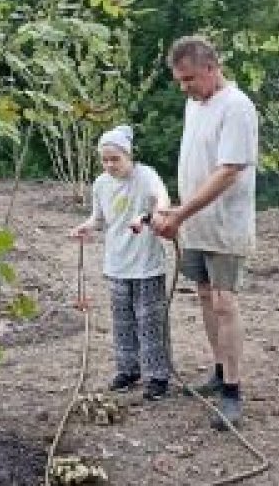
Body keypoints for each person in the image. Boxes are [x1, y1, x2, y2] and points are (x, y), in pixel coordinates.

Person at [152, 36, 258, 428]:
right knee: (203, 295)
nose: (184, 87)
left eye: (190, 78)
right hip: (195, 222)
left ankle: (233, 391)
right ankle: (218, 370)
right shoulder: (194, 106)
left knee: (225, 302)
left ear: (212, 68)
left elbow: (228, 171)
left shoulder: (237, 107)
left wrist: (180, 213)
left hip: (226, 225)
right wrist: (174, 211)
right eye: (180, 80)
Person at [70, 125, 173, 401]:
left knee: (150, 320)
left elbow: (162, 198)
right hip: (116, 264)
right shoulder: (101, 183)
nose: (109, 165)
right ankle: (128, 370)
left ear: (128, 155)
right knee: (122, 321)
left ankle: (158, 377)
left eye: (115, 159)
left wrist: (150, 215)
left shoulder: (146, 175)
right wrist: (86, 227)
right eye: (105, 160)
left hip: (146, 264)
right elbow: (99, 218)